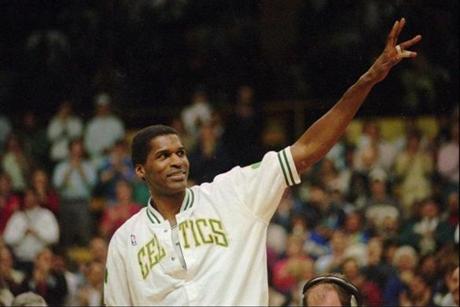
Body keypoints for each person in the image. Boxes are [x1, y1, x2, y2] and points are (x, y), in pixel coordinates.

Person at [104, 18, 421, 306]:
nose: (177, 161)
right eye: (163, 156)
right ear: (140, 170)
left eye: (180, 153)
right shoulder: (124, 241)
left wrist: (368, 79)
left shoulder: (232, 193)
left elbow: (308, 148)